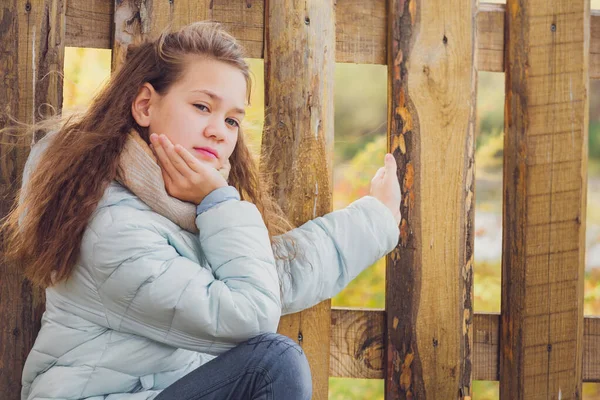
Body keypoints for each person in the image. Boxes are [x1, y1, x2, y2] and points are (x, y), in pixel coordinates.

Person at [2, 21, 401, 400]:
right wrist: (220, 201)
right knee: (274, 363)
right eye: (201, 107)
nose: (219, 131)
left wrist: (375, 218)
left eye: (231, 120)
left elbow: (273, 274)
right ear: (144, 105)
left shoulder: (180, 212)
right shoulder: (110, 223)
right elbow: (251, 313)